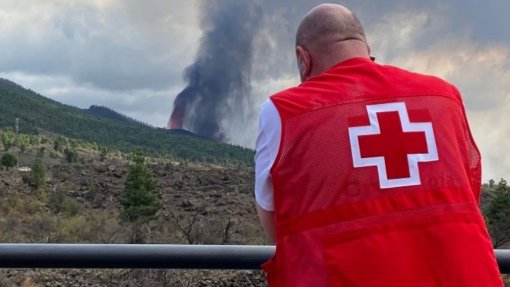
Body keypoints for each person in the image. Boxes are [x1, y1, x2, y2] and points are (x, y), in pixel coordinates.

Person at [254, 3, 503, 287]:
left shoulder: (282, 112)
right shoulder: (445, 97)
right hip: (462, 275)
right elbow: (468, 189)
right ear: (363, 46)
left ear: (303, 59)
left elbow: (276, 222)